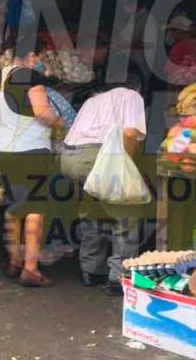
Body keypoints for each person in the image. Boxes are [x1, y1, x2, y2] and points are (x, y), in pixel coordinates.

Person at [60, 75, 147, 296]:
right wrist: (126, 166)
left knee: (92, 209)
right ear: (136, 87)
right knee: (126, 212)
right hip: (97, 156)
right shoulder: (132, 96)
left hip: (69, 157)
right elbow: (129, 133)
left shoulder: (93, 100)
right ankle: (118, 277)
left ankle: (91, 270)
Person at [0, 46, 60, 288]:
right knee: (35, 208)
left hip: (3, 151)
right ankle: (30, 268)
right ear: (30, 56)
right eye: (38, 57)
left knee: (14, 206)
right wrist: (60, 122)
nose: (39, 62)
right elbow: (42, 113)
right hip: (31, 151)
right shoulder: (30, 77)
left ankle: (14, 261)